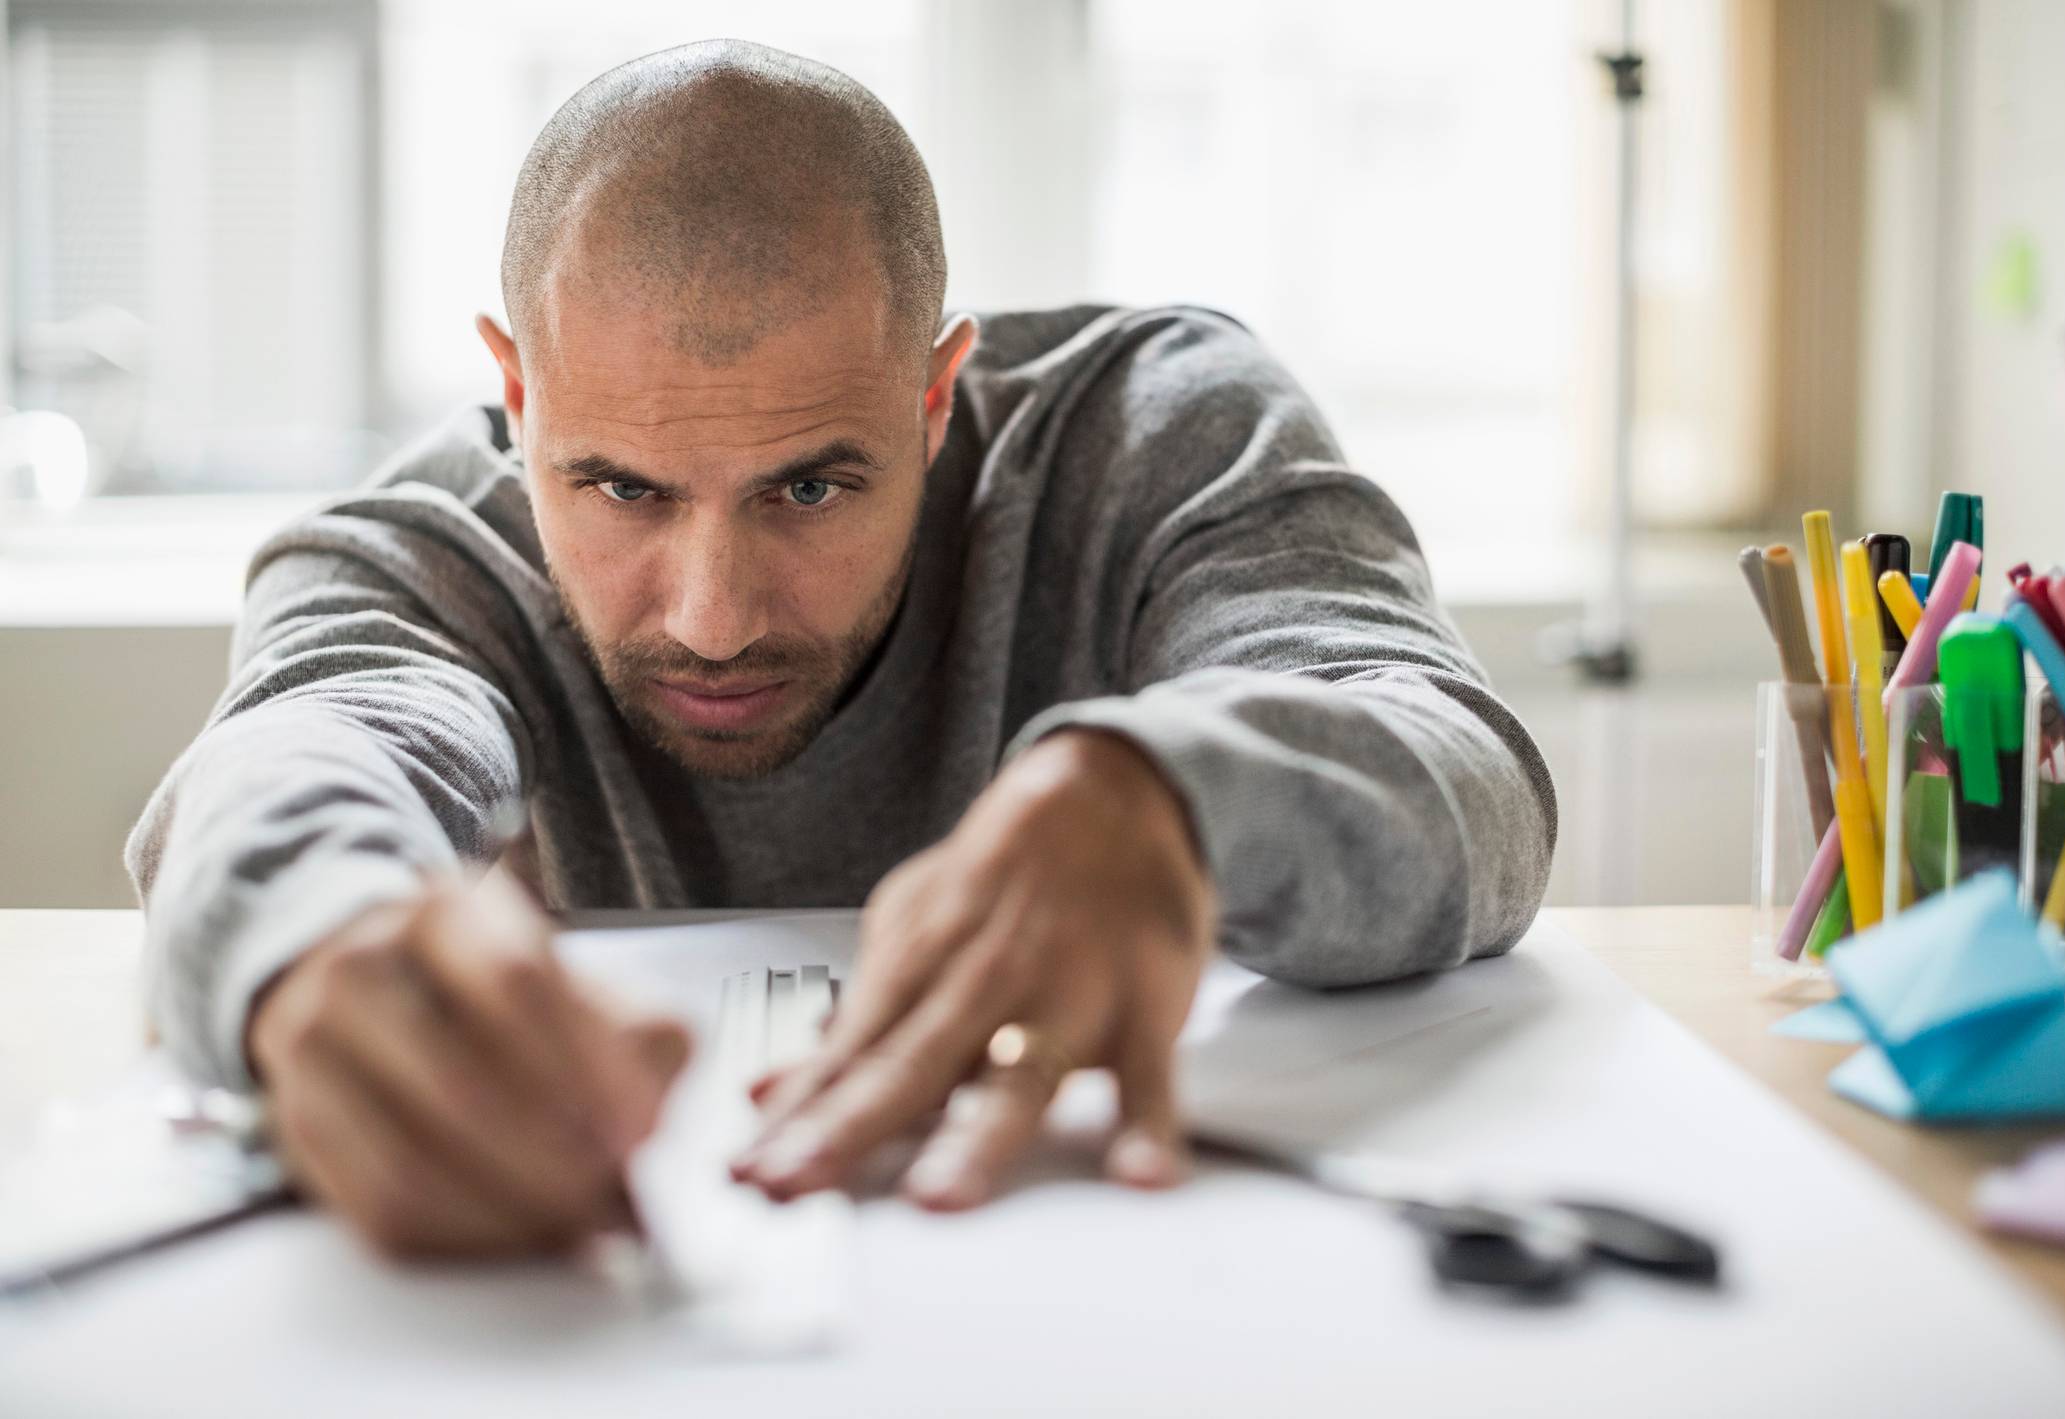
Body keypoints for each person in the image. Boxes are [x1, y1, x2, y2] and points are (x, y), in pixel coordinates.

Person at [126, 38, 1557, 1259]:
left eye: (811, 487)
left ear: (936, 397)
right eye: (619, 487)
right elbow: (290, 760)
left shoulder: (1157, 431)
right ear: (518, 393)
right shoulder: (425, 558)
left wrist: (1171, 791)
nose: (713, 617)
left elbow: (1463, 764)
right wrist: (315, 946)